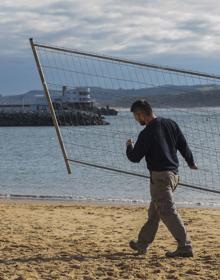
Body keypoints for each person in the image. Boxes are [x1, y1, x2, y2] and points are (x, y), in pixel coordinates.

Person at [126, 100, 198, 258]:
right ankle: (142, 243)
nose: (137, 120)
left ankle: (185, 246)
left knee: (167, 211)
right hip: (174, 176)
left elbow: (134, 157)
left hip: (159, 178)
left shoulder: (147, 133)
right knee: (155, 211)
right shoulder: (170, 124)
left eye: (136, 117)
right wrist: (191, 162)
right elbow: (183, 144)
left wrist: (129, 146)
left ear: (141, 114)